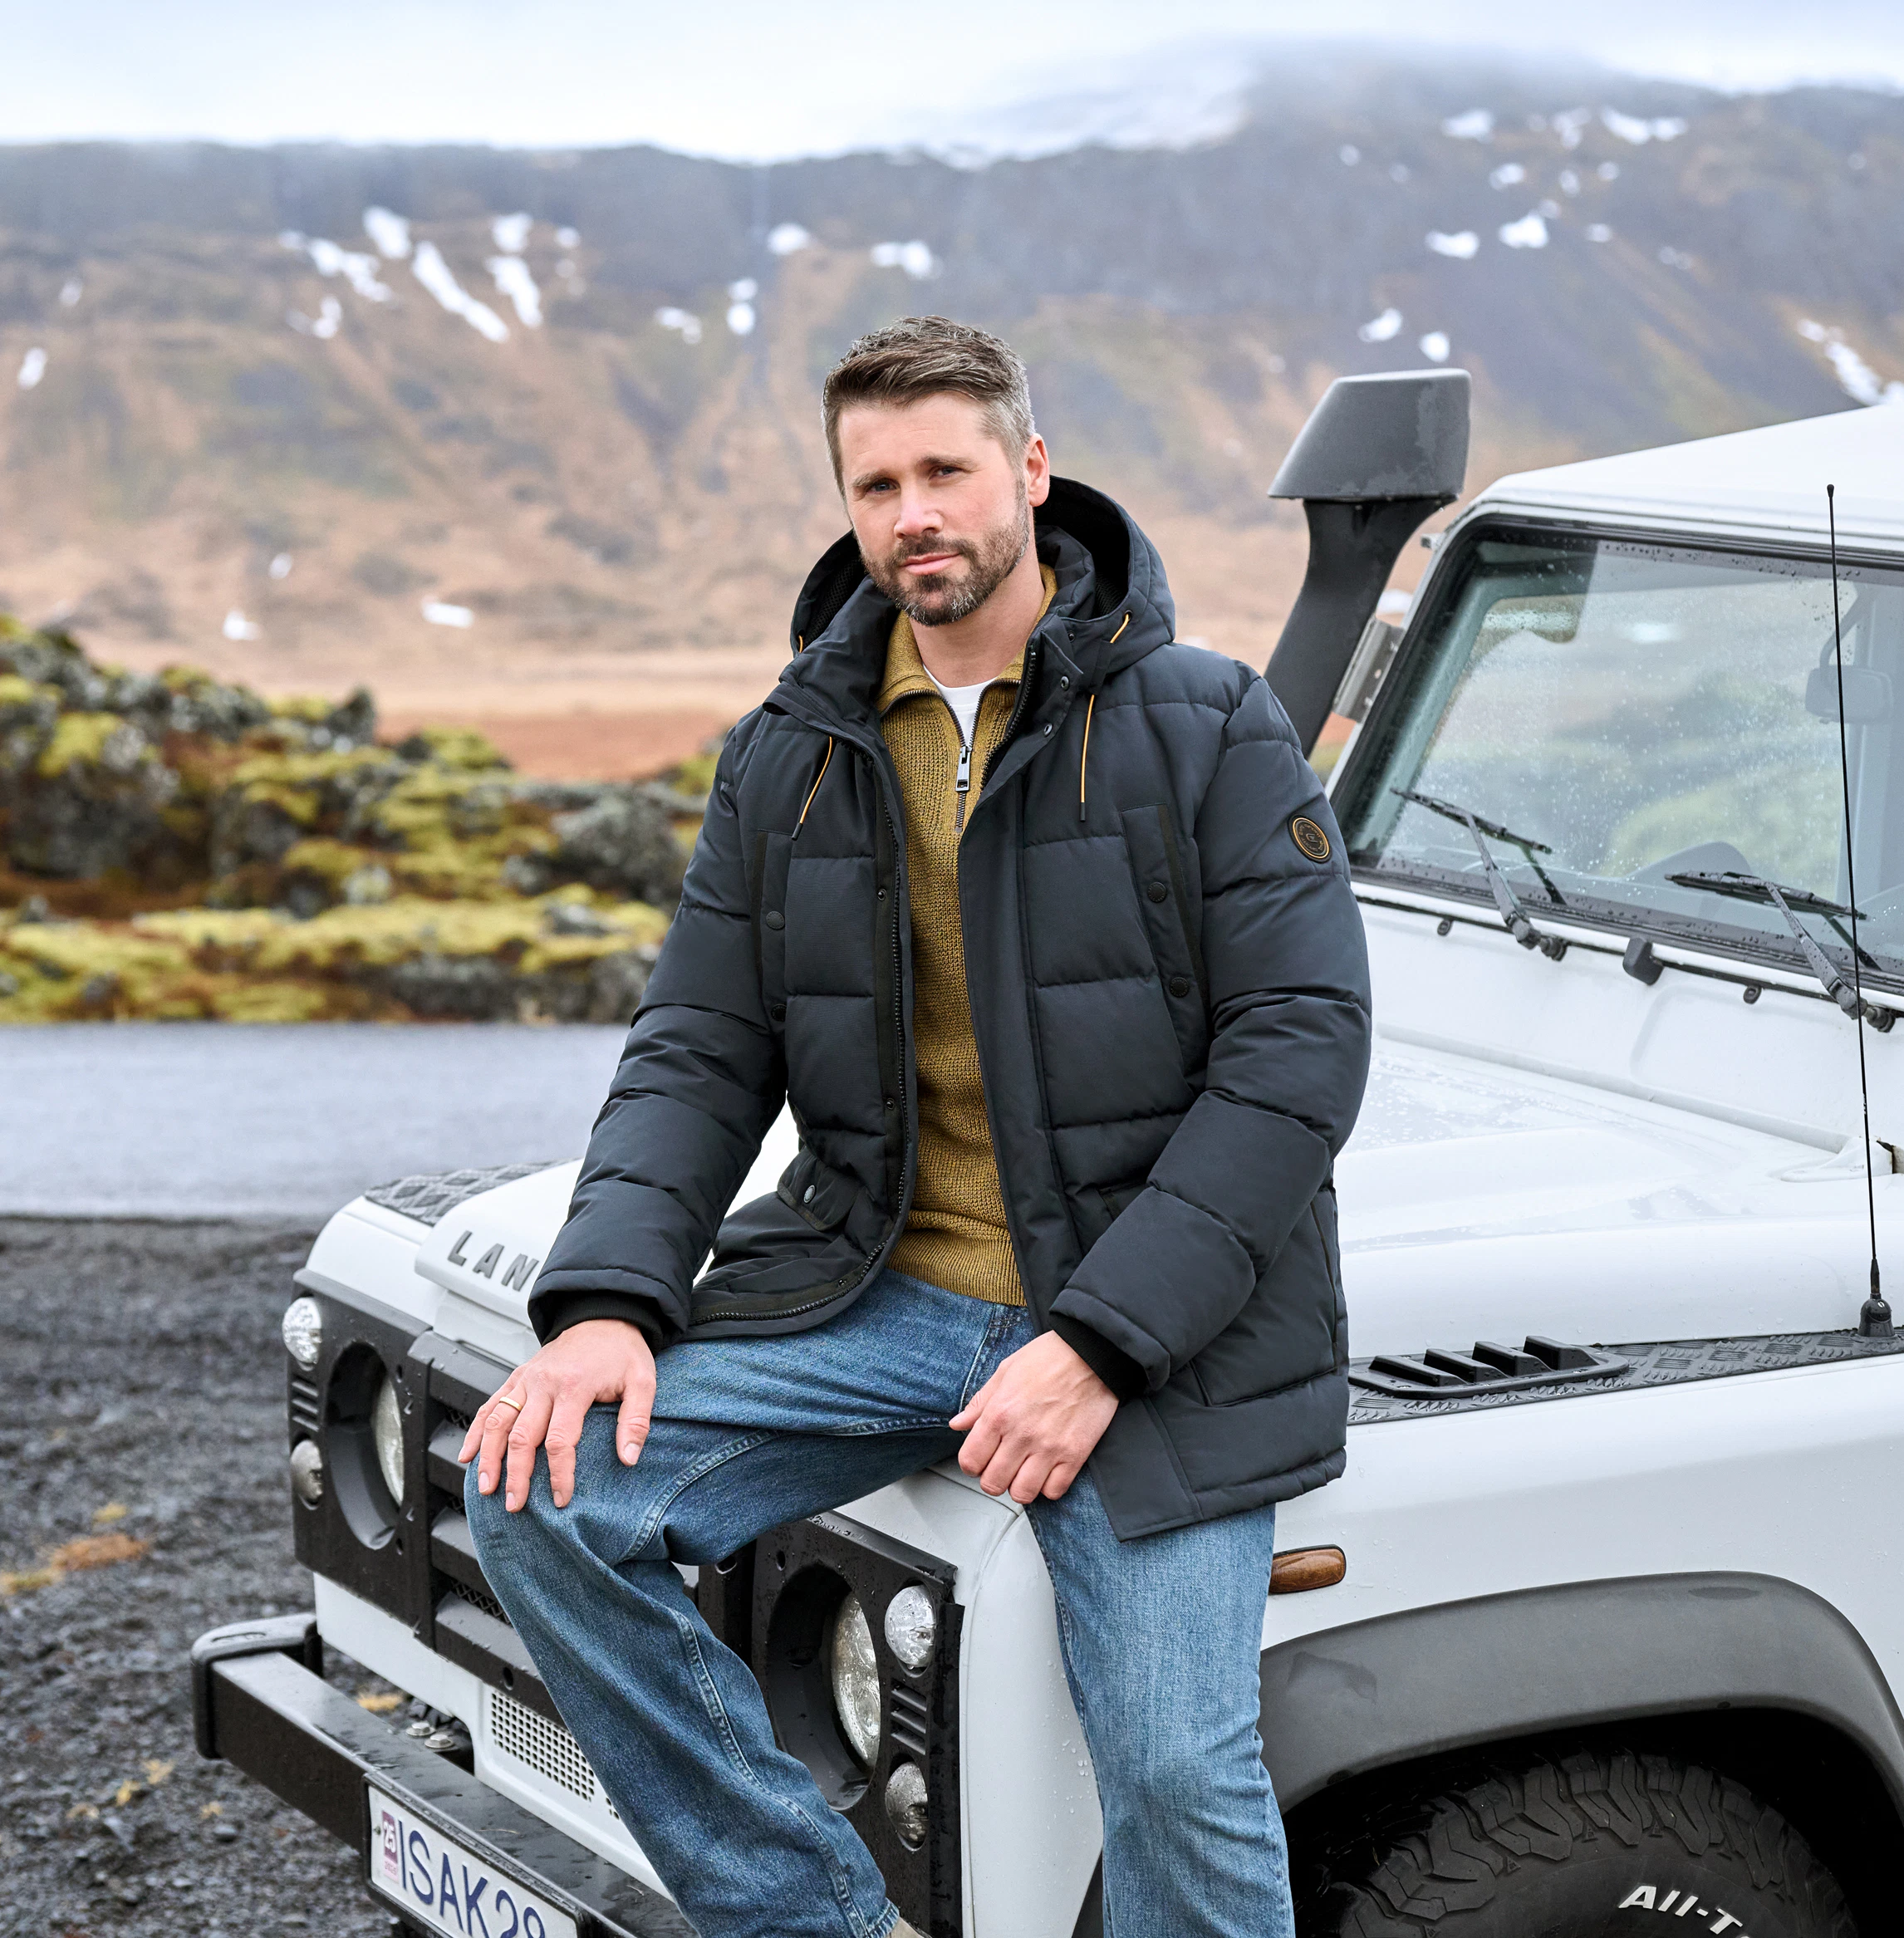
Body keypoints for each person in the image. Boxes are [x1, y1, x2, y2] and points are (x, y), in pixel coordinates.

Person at [464, 315, 1372, 1938]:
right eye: (874, 482)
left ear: (1030, 469)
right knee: (533, 1487)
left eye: (944, 468)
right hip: (875, 1295)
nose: (912, 514)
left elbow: (1298, 1059)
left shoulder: (1207, 723)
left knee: (1173, 1765)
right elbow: (695, 1047)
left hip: (1158, 1331)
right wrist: (607, 1301)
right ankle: (808, 1912)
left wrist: (1095, 1341)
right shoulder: (790, 756)